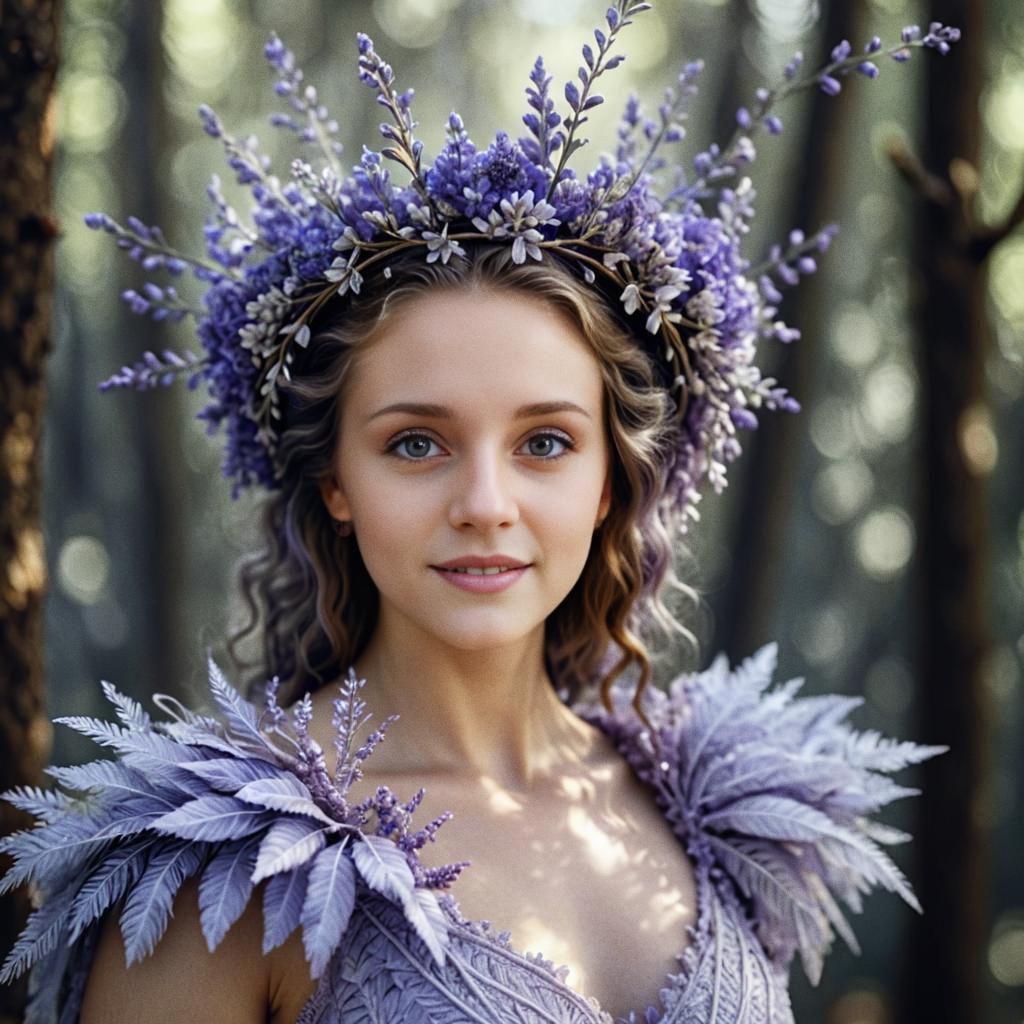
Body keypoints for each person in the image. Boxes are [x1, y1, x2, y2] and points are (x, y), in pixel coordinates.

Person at [1, 6, 959, 1022]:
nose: (485, 506)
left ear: (607, 483)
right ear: (333, 479)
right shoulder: (221, 877)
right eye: (416, 442)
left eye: (545, 441)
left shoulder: (720, 823)